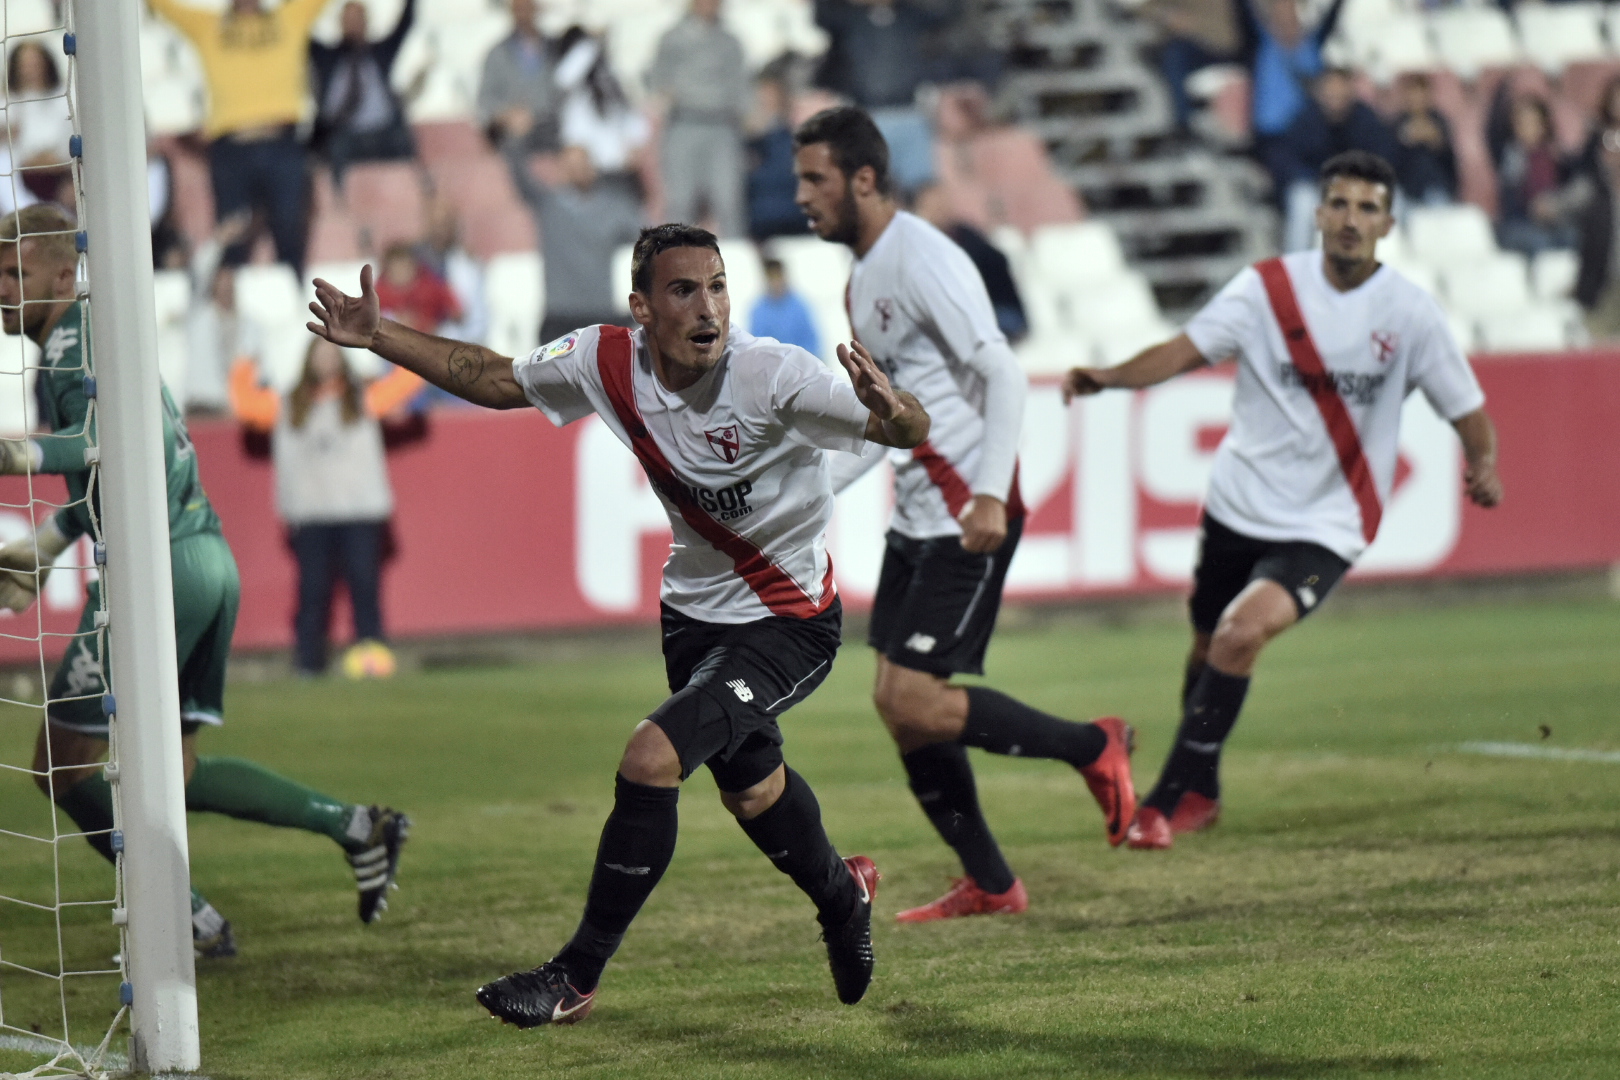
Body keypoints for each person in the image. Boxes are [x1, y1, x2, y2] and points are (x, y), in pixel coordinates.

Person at [305, 222, 932, 1024]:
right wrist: (380, 335)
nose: (707, 308)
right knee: (754, 792)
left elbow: (898, 427)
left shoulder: (776, 375)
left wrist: (898, 412)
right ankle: (844, 895)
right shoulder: (604, 362)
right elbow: (494, 378)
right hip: (692, 619)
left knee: (650, 757)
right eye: (683, 290)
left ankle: (574, 976)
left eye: (716, 287)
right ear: (642, 307)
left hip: (788, 621)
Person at [1060, 151, 1502, 850]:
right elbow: (1184, 350)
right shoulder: (1265, 289)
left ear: (1387, 223)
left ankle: (1166, 801)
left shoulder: (1410, 314)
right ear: (1319, 213)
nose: (1352, 219)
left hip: (1330, 519)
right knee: (1207, 644)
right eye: (1340, 204)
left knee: (1240, 632)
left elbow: (1467, 407)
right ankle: (1203, 785)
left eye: (1367, 208)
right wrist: (1108, 378)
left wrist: (1483, 462)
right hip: (1238, 503)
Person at [0, 205, 409, 957]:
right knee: (175, 770)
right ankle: (355, 825)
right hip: (204, 560)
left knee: (57, 766)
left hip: (158, 575)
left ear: (64, 274)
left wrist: (18, 457)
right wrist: (54, 540)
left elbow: (124, 441)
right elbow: (120, 466)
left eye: (13, 273)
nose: (0, 289)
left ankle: (185, 916)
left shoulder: (68, 345)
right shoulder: (88, 339)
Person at [793, 107, 1136, 923]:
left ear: (864, 179)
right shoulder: (861, 276)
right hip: (921, 508)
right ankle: (991, 881)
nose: (801, 196)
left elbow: (1003, 371)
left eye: (816, 179)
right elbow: (889, 423)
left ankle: (1096, 746)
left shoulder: (921, 258)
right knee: (897, 703)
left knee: (914, 699)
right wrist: (803, 494)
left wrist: (988, 491)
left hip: (964, 505)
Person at [230, 338, 423, 677]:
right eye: (320, 355)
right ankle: (308, 663)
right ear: (308, 361)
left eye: (332, 354)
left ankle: (373, 658)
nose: (326, 362)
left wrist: (397, 343)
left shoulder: (362, 398)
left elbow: (408, 381)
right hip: (312, 513)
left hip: (359, 512)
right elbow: (246, 405)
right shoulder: (288, 405)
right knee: (312, 591)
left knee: (365, 588)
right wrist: (247, 362)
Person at [149, 0, 331, 273]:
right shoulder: (210, 27)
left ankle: (298, 302)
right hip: (231, 148)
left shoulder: (289, 17)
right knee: (232, 235)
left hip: (282, 141)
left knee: (290, 228)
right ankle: (228, 307)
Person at [503, 142, 643, 344]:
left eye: (583, 164)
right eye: (571, 165)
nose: (579, 171)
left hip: (600, 314)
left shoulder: (615, 206)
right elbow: (519, 175)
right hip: (560, 315)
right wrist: (514, 138)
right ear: (561, 170)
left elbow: (647, 234)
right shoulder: (548, 204)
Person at [647, 0, 750, 237]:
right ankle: (676, 260)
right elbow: (658, 81)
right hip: (684, 125)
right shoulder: (672, 39)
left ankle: (732, 260)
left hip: (722, 126)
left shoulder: (730, 41)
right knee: (680, 201)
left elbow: (742, 86)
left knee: (728, 202)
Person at [1276, 67, 1397, 252]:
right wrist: (1321, 181)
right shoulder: (1305, 119)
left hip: (1359, 189)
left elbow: (1383, 159)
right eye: (1331, 94)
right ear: (1320, 94)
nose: (1336, 100)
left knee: (1394, 198)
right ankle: (1296, 263)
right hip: (1317, 187)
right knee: (1301, 200)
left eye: (1341, 94)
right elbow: (1289, 161)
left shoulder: (1366, 119)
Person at [309, 0, 418, 190]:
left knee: (406, 143)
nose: (354, 24)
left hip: (384, 134)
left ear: (367, 22)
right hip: (343, 136)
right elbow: (295, 30)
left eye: (358, 18)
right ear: (340, 23)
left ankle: (414, 202)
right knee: (331, 151)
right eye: (349, 19)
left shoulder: (381, 52)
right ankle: (340, 209)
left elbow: (406, 22)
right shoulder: (325, 57)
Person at [912, 182, 1027, 341]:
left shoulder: (966, 236)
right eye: (932, 205)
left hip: (993, 312)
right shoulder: (917, 246)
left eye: (942, 202)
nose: (940, 209)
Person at [554, 27, 649, 196]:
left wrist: (634, 145)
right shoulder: (574, 96)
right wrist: (592, 43)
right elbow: (564, 77)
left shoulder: (609, 84)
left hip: (623, 173)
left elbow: (635, 121)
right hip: (595, 177)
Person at [1492, 94, 1574, 257]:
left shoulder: (1555, 156)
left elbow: (1571, 189)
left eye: (1533, 122)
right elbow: (1512, 201)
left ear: (1543, 125)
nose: (1527, 128)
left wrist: (1555, 206)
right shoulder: (1510, 155)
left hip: (1554, 221)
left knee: (1573, 237)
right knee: (1540, 242)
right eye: (1521, 123)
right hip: (1518, 224)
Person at [477, 0, 561, 154]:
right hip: (514, 132)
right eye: (518, 9)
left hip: (552, 126)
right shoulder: (497, 54)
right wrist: (507, 115)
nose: (523, 14)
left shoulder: (555, 49)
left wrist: (537, 113)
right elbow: (485, 100)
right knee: (512, 146)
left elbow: (566, 91)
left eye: (527, 8)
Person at [5, 41, 73, 205]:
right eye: (25, 65)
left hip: (63, 175)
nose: (30, 70)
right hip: (22, 178)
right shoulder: (8, 103)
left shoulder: (64, 98)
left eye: (35, 63)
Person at [746, 66, 810, 240]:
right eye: (760, 101)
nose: (765, 105)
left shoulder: (794, 143)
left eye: (770, 99)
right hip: (757, 229)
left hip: (795, 225)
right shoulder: (741, 146)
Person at [414, 197, 488, 345]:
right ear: (426, 223)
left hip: (458, 349)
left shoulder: (469, 266)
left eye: (445, 223)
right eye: (435, 223)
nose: (440, 229)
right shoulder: (409, 263)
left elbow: (478, 322)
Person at [1390, 72, 1456, 208]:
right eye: (1413, 94)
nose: (1417, 99)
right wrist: (1404, 142)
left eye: (1421, 94)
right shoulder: (1396, 125)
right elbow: (1390, 163)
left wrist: (1438, 144)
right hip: (1405, 189)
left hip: (1434, 187)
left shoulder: (1440, 123)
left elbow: (1452, 164)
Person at [375, 242, 463, 335]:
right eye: (396, 269)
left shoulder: (430, 286)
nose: (401, 274)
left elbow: (456, 311)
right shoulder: (379, 292)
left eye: (405, 267)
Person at [749, 257, 821, 355]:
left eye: (778, 276)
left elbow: (812, 341)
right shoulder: (758, 310)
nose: (776, 282)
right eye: (772, 277)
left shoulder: (800, 306)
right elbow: (756, 344)